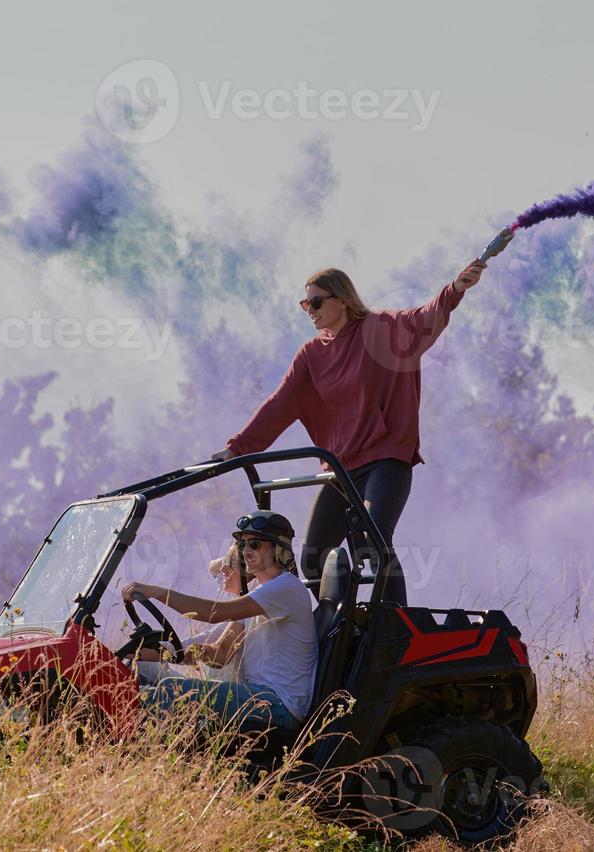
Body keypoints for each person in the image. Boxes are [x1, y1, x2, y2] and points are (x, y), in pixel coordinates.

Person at [209, 261, 485, 606]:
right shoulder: (311, 355)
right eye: (305, 304)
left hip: (386, 459)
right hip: (341, 470)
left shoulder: (380, 329)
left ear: (341, 299)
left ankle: (392, 630)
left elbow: (423, 318)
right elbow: (278, 404)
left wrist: (455, 289)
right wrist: (236, 449)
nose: (309, 310)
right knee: (312, 558)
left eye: (316, 302)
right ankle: (337, 630)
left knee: (372, 536)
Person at [121, 511, 316, 732]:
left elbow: (214, 612)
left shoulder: (286, 588)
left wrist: (156, 592)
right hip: (256, 696)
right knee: (142, 670)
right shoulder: (257, 592)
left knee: (167, 691)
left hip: (278, 704)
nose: (246, 551)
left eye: (254, 543)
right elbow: (220, 652)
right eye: (242, 545)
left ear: (278, 548)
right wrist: (137, 654)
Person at [132, 543, 247, 684]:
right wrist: (133, 651)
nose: (222, 570)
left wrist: (156, 592)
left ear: (246, 571)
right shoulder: (235, 614)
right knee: (142, 665)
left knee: (157, 686)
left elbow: (216, 650)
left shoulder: (245, 612)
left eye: (229, 564)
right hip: (216, 691)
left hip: (229, 697)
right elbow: (196, 641)